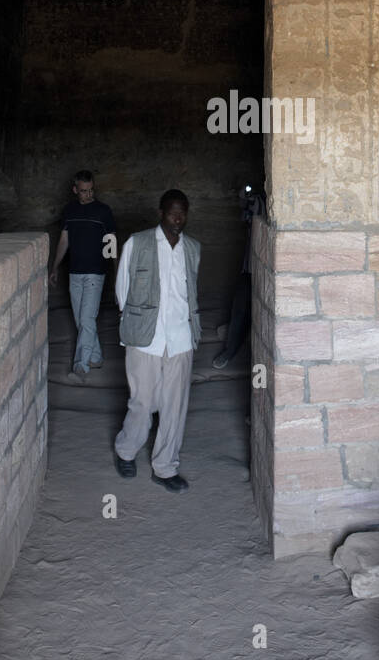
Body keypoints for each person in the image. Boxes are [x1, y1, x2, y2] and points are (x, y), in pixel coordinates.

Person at [113, 189, 201, 493]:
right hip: (145, 339)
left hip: (180, 340)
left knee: (174, 406)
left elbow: (190, 294)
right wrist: (137, 324)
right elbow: (122, 290)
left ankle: (165, 467)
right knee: (143, 402)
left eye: (182, 212)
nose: (177, 218)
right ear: (161, 212)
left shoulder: (192, 248)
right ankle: (126, 450)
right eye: (172, 212)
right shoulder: (138, 243)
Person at [49, 170, 116, 382]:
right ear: (75, 190)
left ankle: (81, 365)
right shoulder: (69, 210)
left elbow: (111, 242)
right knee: (81, 320)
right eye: (84, 191)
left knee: (87, 318)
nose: (88, 194)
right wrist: (55, 267)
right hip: (74, 273)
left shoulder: (103, 211)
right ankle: (95, 356)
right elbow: (64, 240)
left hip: (96, 272)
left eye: (91, 190)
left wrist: (117, 272)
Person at [212, 184, 266, 370]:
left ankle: (255, 355)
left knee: (262, 317)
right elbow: (244, 199)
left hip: (269, 273)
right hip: (249, 268)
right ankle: (230, 350)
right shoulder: (258, 202)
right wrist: (249, 194)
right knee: (239, 309)